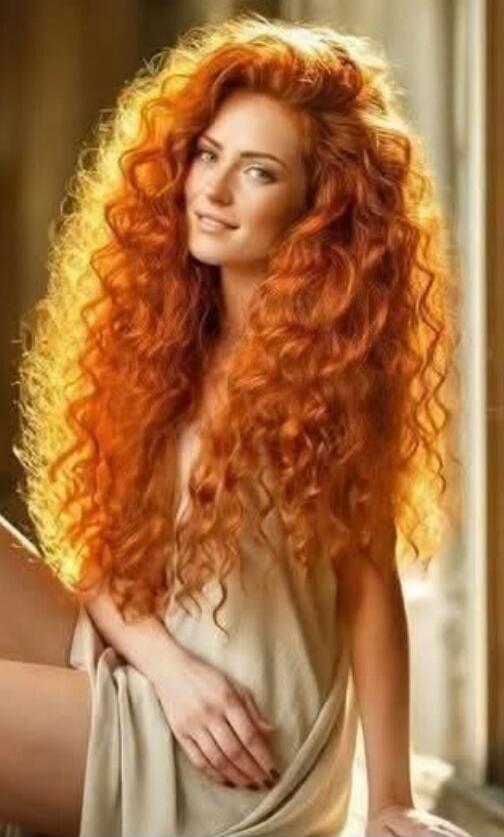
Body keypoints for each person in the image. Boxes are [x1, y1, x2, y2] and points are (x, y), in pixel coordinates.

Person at [0, 11, 470, 837]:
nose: (213, 191)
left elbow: (370, 589)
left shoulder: (330, 372)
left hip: (241, 753)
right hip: (160, 680)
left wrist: (391, 799)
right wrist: (168, 669)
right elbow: (106, 560)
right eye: (209, 155)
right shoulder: (161, 342)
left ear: (318, 207)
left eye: (257, 172)